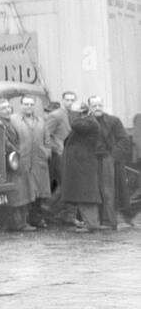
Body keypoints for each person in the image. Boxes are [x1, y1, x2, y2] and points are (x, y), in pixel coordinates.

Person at [87, 96, 130, 229]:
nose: (97, 108)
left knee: (108, 191)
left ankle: (108, 221)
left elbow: (124, 140)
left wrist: (112, 157)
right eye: (94, 106)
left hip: (108, 160)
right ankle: (93, 221)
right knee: (92, 190)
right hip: (90, 161)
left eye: (100, 105)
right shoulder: (85, 122)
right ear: (89, 107)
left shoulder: (113, 121)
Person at [61, 102, 102, 232]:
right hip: (81, 165)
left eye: (76, 112)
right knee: (83, 195)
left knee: (86, 196)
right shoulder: (88, 121)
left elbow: (75, 124)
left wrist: (73, 113)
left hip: (84, 166)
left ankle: (91, 224)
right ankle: (89, 223)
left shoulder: (89, 123)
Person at [11, 96, 51, 228]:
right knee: (24, 191)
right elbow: (12, 140)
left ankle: (37, 219)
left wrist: (46, 152)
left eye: (31, 104)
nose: (28, 107)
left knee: (39, 191)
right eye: (26, 104)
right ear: (21, 105)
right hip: (23, 161)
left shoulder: (41, 121)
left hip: (39, 161)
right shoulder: (14, 120)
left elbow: (47, 139)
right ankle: (23, 221)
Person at [0, 98, 35, 232]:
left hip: (17, 161)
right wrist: (16, 152)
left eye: (8, 107)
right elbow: (5, 143)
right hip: (10, 163)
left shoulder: (8, 122)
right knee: (16, 194)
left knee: (21, 193)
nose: (7, 110)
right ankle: (18, 224)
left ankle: (20, 222)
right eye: (3, 108)